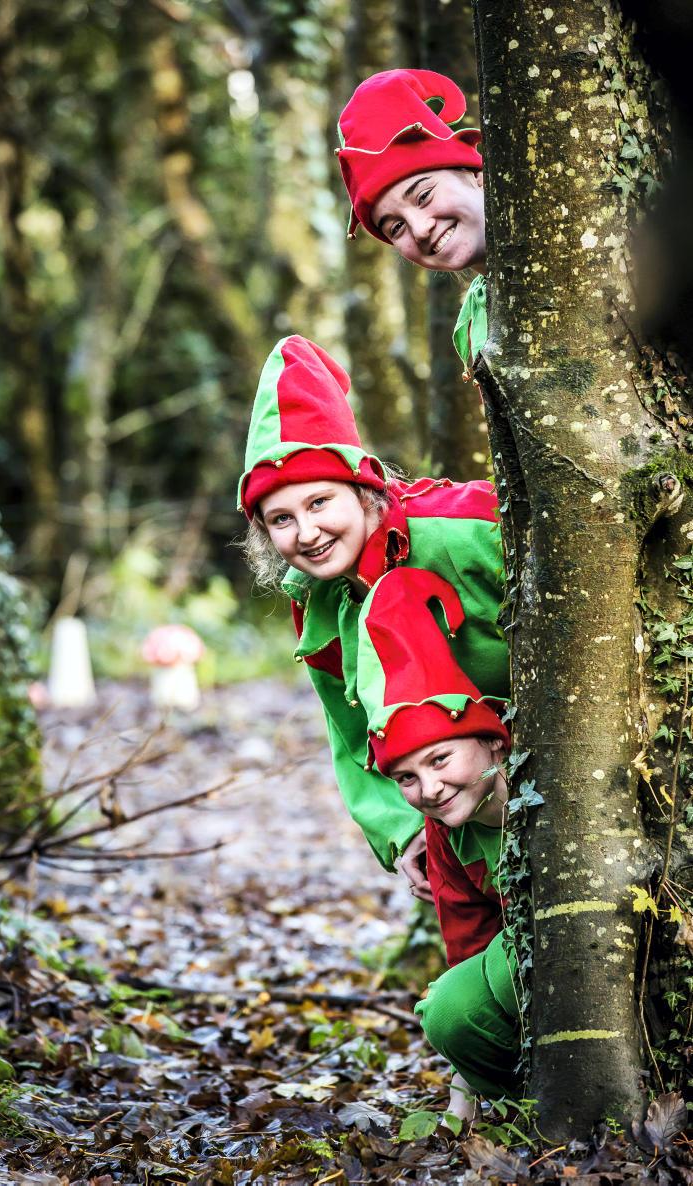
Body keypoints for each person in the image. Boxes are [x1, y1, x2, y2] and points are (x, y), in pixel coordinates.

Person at [238, 333, 508, 898]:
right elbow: (352, 728)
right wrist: (403, 829)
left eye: (319, 502)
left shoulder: (464, 528)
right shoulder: (315, 602)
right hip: (461, 815)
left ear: (363, 492)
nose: (307, 533)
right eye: (281, 519)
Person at [356, 565, 521, 1120]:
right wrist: (463, 1076)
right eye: (406, 777)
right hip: (519, 968)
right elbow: (467, 944)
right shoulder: (445, 836)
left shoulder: (553, 791)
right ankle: (525, 1101)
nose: (429, 789)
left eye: (441, 759)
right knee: (447, 1009)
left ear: (493, 742)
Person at [335, 68, 488, 376]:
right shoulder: (480, 320)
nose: (420, 229)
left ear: (475, 175)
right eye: (396, 228)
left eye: (423, 196)